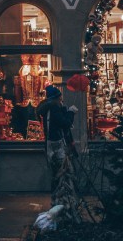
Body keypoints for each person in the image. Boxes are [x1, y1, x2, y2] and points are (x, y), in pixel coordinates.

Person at [36, 85, 80, 223]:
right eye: (60, 96)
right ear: (56, 97)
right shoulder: (54, 107)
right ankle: (62, 205)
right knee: (63, 175)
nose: (62, 98)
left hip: (52, 148)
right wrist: (71, 112)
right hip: (58, 148)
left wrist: (65, 111)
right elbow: (64, 123)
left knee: (57, 176)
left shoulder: (49, 107)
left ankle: (58, 203)